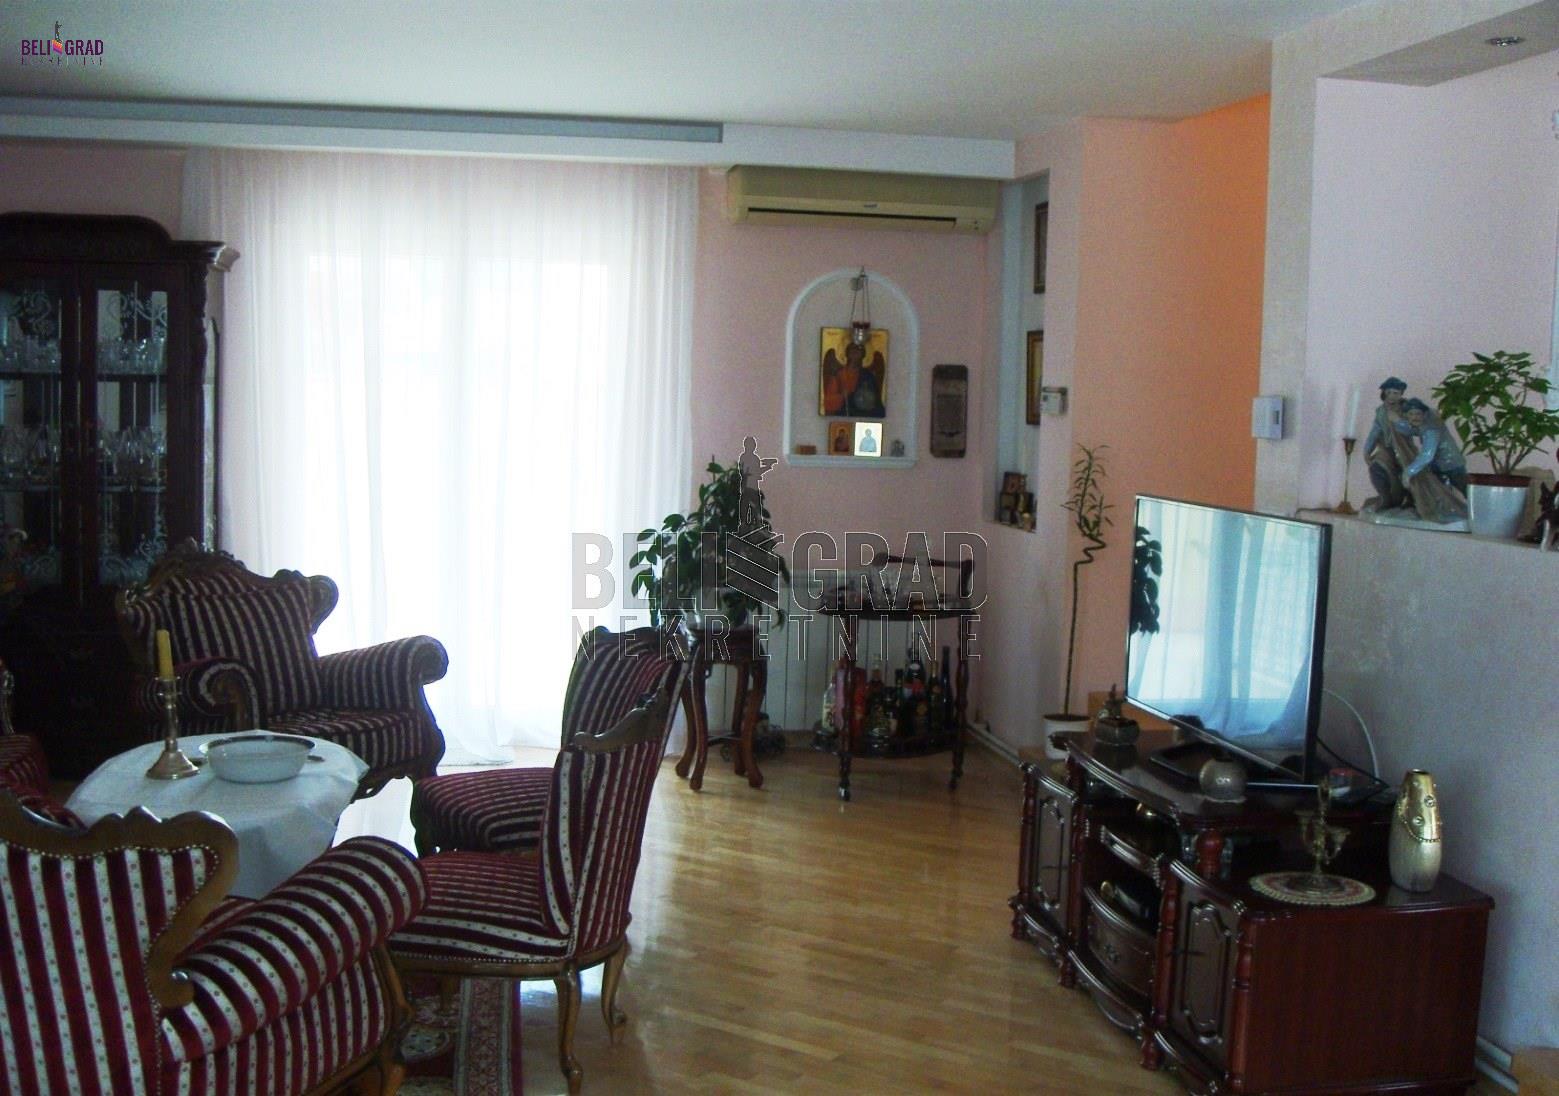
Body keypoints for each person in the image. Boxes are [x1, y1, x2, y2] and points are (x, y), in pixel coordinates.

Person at [1362, 377, 1412, 511]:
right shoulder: (1381, 411)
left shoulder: (1407, 409)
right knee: (1376, 467)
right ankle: (1385, 497)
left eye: (1395, 393)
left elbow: (1413, 429)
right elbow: (1375, 431)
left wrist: (1398, 421)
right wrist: (1367, 450)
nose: (1391, 396)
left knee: (1409, 472)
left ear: (1401, 394)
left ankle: (1411, 499)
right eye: (1389, 392)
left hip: (1404, 449)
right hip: (1387, 448)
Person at [1402, 398, 1469, 495]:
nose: (1414, 417)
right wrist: (1397, 423)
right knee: (1439, 492)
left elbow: (1427, 455)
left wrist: (1409, 472)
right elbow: (1412, 430)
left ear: (1424, 414)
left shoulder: (1430, 430)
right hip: (1439, 465)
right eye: (1411, 414)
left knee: (1465, 491)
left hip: (1451, 464)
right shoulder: (1424, 425)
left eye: (1418, 414)